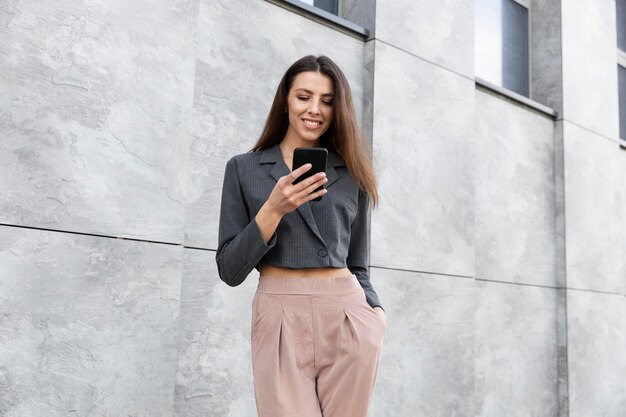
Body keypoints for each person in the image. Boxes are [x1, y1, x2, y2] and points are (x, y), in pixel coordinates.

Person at [215, 54, 386, 417]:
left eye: (327, 100)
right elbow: (230, 270)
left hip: (347, 316)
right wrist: (273, 208)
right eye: (304, 96)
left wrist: (375, 312)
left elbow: (358, 264)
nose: (315, 109)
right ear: (285, 101)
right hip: (279, 312)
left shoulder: (352, 172)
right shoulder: (244, 169)